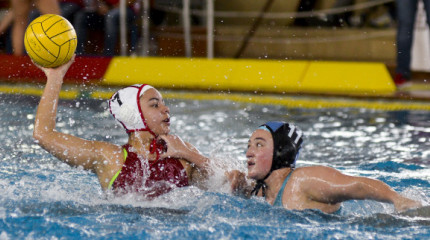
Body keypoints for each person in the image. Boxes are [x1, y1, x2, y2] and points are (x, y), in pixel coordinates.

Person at [32, 56, 210, 199]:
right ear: (135, 115)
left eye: (163, 104)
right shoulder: (110, 157)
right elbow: (43, 134)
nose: (166, 109)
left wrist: (191, 155)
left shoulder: (181, 156)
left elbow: (232, 182)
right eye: (155, 105)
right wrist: (55, 77)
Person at [223, 121, 422, 213]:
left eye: (259, 145)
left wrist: (398, 199)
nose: (249, 152)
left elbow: (358, 186)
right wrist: (240, 187)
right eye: (249, 145)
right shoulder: (262, 192)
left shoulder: (304, 180)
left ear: (280, 152)